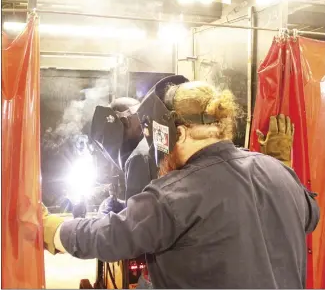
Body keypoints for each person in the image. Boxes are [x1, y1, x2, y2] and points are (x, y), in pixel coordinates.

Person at [42, 76, 319, 289]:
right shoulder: (278, 172)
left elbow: (111, 237)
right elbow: (310, 217)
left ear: (180, 134)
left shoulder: (174, 194)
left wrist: (55, 230)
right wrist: (282, 167)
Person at [91, 96, 156, 288]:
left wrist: (108, 217)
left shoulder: (139, 157)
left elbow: (136, 220)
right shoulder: (155, 144)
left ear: (126, 121)